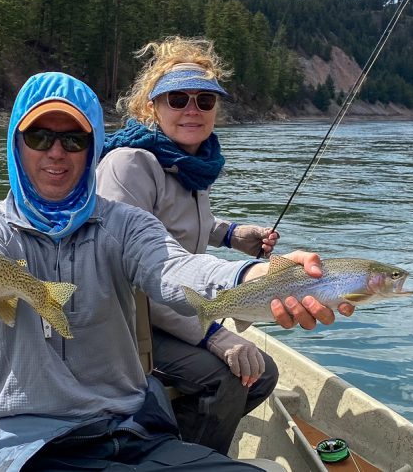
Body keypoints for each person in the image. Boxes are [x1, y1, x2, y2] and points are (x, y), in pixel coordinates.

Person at [0, 71, 353, 471]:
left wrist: (253, 278)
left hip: (131, 428)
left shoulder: (126, 224)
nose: (56, 152)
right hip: (26, 442)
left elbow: (176, 269)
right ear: (16, 144)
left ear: (93, 147)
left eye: (74, 140)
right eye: (40, 136)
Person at [97, 36, 279, 453]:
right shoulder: (131, 163)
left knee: (262, 375)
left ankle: (171, 445)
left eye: (205, 100)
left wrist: (231, 234)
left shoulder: (192, 165)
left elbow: (178, 224)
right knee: (228, 379)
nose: (192, 109)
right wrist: (213, 335)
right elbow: (139, 268)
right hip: (126, 323)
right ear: (151, 108)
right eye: (177, 99)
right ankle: (189, 462)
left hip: (167, 313)